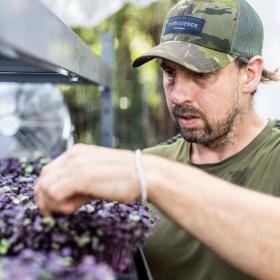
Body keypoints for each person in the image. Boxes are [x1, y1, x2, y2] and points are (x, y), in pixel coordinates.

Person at [35, 0, 280, 279]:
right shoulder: (146, 168)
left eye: (200, 73)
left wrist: (150, 175)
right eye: (170, 72)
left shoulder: (147, 173)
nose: (177, 95)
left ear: (249, 74)